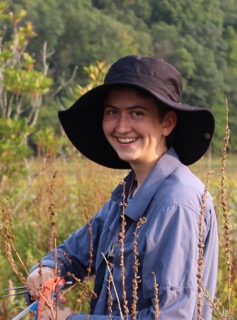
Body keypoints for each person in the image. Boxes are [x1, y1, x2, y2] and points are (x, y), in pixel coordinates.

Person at [26, 55, 218, 319]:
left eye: (137, 113)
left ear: (167, 123)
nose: (122, 126)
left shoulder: (177, 202)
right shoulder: (127, 194)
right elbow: (78, 252)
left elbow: (173, 316)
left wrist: (70, 319)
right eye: (112, 112)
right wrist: (47, 269)